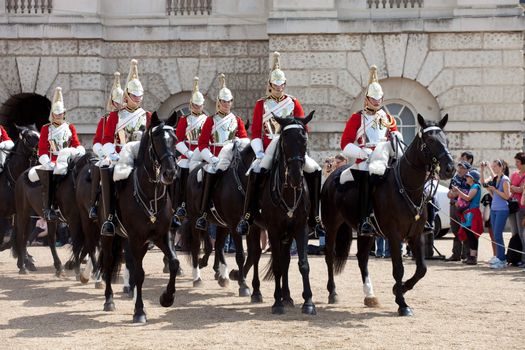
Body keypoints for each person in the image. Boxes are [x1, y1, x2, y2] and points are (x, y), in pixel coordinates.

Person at [236, 52, 325, 237]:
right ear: (270, 85)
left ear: (285, 84)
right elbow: (255, 132)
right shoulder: (262, 104)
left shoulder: (294, 102)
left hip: (291, 147)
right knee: (256, 171)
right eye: (275, 85)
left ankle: (315, 218)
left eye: (281, 84)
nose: (278, 88)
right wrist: (259, 153)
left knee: (315, 170)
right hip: (270, 145)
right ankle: (247, 216)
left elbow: (303, 130)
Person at [339, 65, 402, 236]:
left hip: (385, 158)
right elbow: (345, 144)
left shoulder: (388, 118)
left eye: (379, 98)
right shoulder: (356, 118)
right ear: (367, 99)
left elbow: (396, 138)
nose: (377, 101)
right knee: (368, 177)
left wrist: (397, 139)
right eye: (373, 98)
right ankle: (365, 219)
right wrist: (362, 153)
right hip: (364, 160)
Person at [99, 59, 152, 236]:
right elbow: (106, 139)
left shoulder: (148, 115)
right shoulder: (115, 116)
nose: (137, 99)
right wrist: (112, 154)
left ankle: (169, 213)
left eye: (139, 96)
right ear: (127, 95)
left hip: (142, 157)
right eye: (134, 96)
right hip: (121, 156)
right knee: (107, 172)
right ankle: (110, 217)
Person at [194, 73, 248, 230]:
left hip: (233, 159)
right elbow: (202, 143)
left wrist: (238, 143)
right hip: (216, 158)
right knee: (209, 174)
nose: (226, 104)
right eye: (223, 101)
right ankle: (204, 213)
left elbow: (244, 139)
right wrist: (211, 158)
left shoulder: (237, 120)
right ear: (219, 102)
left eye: (229, 101)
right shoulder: (211, 120)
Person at [37, 87, 84, 221]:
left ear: (64, 113)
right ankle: (49, 207)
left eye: (61, 113)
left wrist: (79, 150)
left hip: (67, 160)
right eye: (56, 114)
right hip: (52, 161)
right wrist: (48, 162)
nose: (59, 116)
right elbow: (42, 149)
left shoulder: (70, 127)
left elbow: (75, 143)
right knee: (49, 175)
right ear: (52, 114)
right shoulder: (46, 129)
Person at [172, 77, 207, 228]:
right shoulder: (184, 120)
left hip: (203, 153)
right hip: (188, 153)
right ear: (191, 105)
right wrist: (188, 152)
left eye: (200, 105)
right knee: (182, 172)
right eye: (196, 105)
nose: (198, 107)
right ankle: (182, 203)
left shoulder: (207, 119)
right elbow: (178, 140)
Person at [88, 72, 124, 219]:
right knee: (101, 167)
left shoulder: (129, 117)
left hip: (128, 154)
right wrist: (105, 154)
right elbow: (97, 141)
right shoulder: (105, 120)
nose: (121, 104)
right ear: (113, 103)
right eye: (118, 102)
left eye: (123, 101)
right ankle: (94, 204)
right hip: (109, 154)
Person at [481, 159, 511, 269]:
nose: (493, 168)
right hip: (494, 209)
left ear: (501, 167)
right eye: (492, 166)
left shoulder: (505, 180)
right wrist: (491, 190)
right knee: (495, 234)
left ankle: (502, 259)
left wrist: (495, 190)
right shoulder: (496, 178)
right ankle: (499, 257)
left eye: (495, 166)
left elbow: (507, 196)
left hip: (502, 210)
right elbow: (484, 184)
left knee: (498, 234)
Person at [455, 170, 483, 265]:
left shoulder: (475, 186)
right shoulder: (471, 186)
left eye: (468, 176)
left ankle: (473, 257)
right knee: (469, 235)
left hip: (473, 213)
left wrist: (458, 191)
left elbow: (468, 198)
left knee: (472, 236)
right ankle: (471, 256)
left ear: (472, 178)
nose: (466, 178)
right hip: (468, 213)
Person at [445, 160, 471, 261]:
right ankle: (456, 254)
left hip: (463, 208)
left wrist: (455, 193)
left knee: (464, 230)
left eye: (463, 168)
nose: (460, 169)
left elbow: (467, 192)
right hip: (453, 206)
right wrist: (450, 194)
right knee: (455, 230)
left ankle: (466, 254)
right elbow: (450, 191)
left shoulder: (469, 179)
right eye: (459, 167)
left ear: (467, 170)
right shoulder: (455, 178)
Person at [509, 152, 525, 264]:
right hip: (513, 206)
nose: (516, 164)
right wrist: (516, 188)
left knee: (521, 233)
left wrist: (515, 188)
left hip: (522, 207)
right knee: (514, 232)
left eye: (518, 162)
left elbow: (521, 190)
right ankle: (515, 257)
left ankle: (523, 258)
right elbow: (510, 188)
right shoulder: (514, 174)